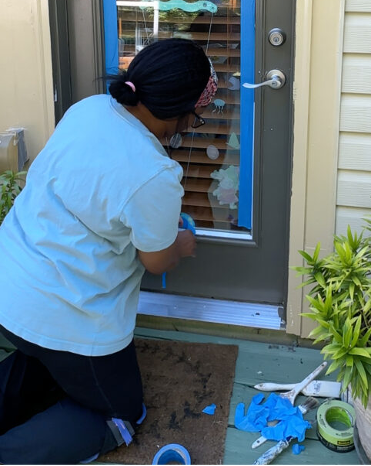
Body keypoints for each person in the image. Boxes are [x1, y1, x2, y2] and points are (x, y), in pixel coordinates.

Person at [0, 38, 217, 465]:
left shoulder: (91, 109)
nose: (193, 124)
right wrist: (181, 245)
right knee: (120, 413)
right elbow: (155, 259)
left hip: (10, 287)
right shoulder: (155, 173)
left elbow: (94, 192)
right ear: (177, 114)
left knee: (39, 363)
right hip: (67, 315)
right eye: (195, 114)